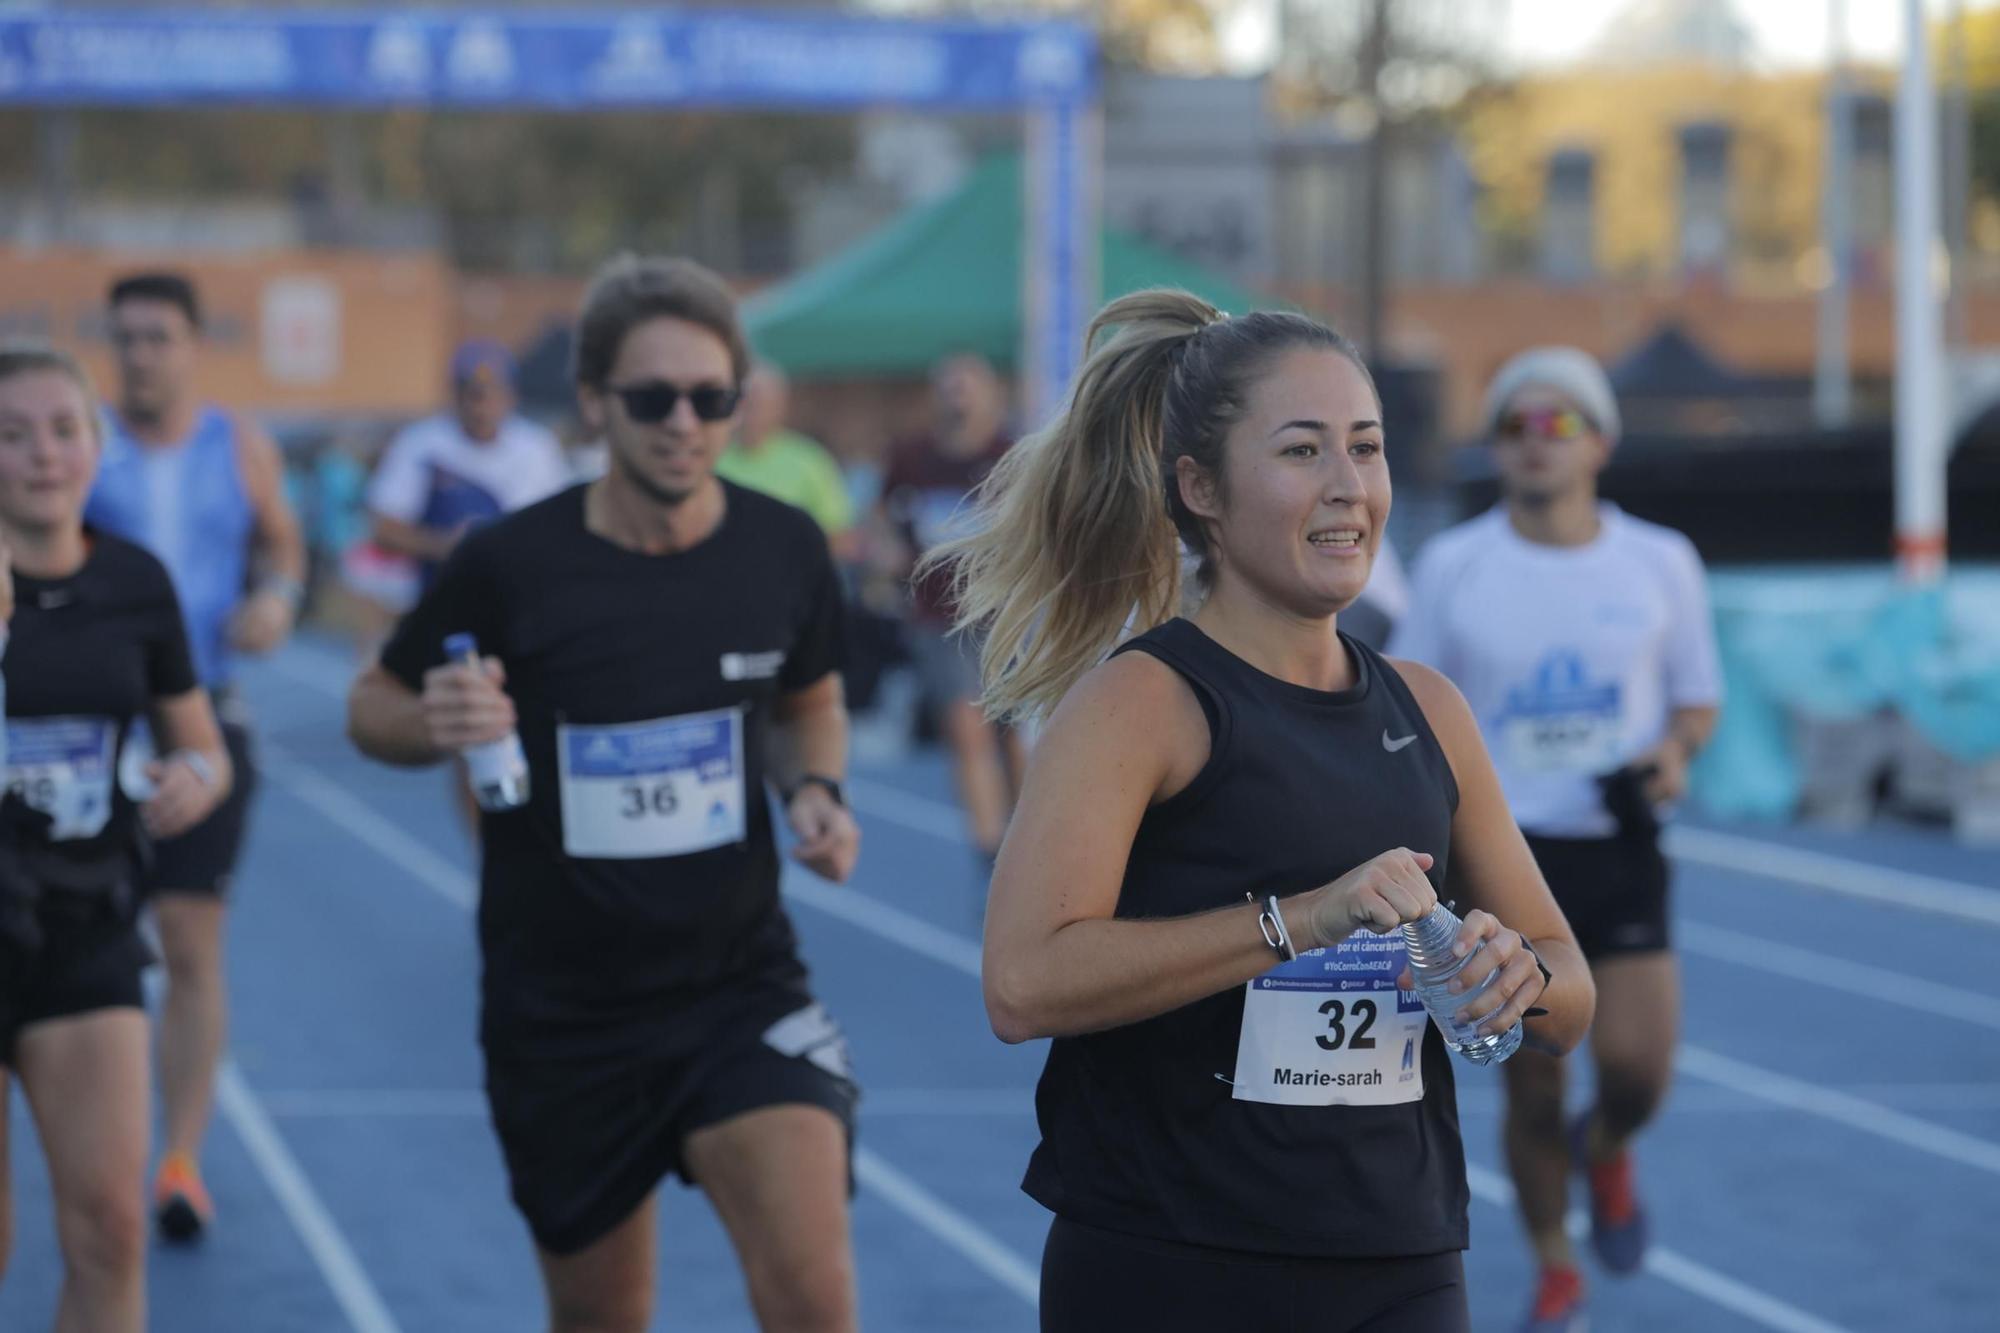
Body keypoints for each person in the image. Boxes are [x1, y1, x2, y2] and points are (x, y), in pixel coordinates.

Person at [925, 290, 1595, 1332]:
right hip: (1170, 1264)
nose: (1346, 489)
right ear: (1200, 488)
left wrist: (1516, 977)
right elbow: (1019, 983)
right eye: (1301, 452)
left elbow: (1569, 988)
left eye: (1364, 449)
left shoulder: (1429, 708)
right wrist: (1296, 921)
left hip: (1400, 1259)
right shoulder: (1140, 703)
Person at [346, 254, 863, 1333]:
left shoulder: (782, 548)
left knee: (816, 1301)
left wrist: (812, 787)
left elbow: (808, 699)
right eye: (651, 398)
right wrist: (430, 718)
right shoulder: (509, 563)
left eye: (710, 397)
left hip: (738, 988)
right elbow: (371, 705)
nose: (684, 421)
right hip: (562, 1013)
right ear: (591, 403)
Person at [1390, 347, 1722, 1333]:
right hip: (1500, 853)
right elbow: (1407, 703)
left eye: (1557, 425)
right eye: (1513, 428)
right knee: (1531, 1084)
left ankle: (1609, 1144)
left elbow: (1695, 702)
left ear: (1599, 442)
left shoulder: (1658, 560)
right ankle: (1553, 1267)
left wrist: (1667, 755)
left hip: (1614, 842)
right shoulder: (1454, 565)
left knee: (1636, 1067)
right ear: (1492, 448)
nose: (1535, 445)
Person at [0, 343, 232, 1331]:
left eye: (64, 428)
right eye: (11, 434)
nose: (42, 454)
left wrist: (196, 778)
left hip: (84, 927)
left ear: (97, 445)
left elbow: (203, 744)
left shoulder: (136, 582)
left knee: (111, 1231)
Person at [86, 271, 305, 1241]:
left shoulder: (239, 446)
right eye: (126, 338)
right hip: (90, 724)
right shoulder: (77, 447)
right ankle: (88, 1133)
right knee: (80, 941)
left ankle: (178, 1159)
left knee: (189, 941)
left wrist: (277, 601)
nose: (141, 355)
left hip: (204, 720)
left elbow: (286, 549)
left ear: (191, 346)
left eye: (158, 338)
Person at [874, 353, 1020, 861]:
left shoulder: (1013, 455)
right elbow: (881, 516)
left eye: (969, 386)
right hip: (940, 614)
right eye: (950, 386)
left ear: (991, 395)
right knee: (966, 726)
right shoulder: (911, 456)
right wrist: (888, 550)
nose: (959, 396)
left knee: (1015, 733)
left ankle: (1027, 835)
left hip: (1009, 612)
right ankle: (989, 850)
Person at [365, 339, 571, 586]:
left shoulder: (538, 447)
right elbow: (385, 529)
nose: (482, 406)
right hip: (441, 590)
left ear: (512, 396)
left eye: (494, 393)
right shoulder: (422, 443)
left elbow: (563, 526)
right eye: (473, 394)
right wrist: (447, 546)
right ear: (456, 394)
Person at [716, 365, 857, 560]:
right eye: (746, 402)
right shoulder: (712, 458)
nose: (753, 412)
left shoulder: (809, 460)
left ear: (780, 407)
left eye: (761, 404)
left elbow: (839, 534)